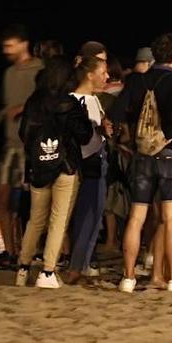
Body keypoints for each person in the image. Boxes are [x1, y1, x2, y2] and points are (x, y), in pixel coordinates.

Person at [117, 32, 172, 293]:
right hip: (171, 153)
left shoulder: (137, 80)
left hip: (142, 154)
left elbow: (117, 112)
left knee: (137, 216)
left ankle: (128, 277)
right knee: (171, 219)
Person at [15, 60, 92, 288]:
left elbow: (24, 134)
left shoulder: (33, 102)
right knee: (58, 220)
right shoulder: (69, 104)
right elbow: (85, 136)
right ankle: (47, 272)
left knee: (35, 220)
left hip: (39, 167)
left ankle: (23, 268)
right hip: (65, 166)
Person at [0, 24, 44, 262]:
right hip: (11, 144)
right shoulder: (9, 73)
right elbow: (10, 105)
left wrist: (19, 109)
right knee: (1, 197)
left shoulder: (38, 69)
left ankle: (48, 250)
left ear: (24, 44)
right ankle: (11, 251)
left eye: (10, 46)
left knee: (35, 201)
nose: (6, 51)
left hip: (30, 143)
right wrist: (0, 116)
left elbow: (43, 99)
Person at [66, 55, 110, 284]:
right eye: (103, 72)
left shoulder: (94, 99)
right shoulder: (75, 100)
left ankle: (81, 266)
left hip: (98, 159)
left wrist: (105, 130)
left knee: (94, 216)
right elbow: (81, 137)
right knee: (86, 215)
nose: (107, 77)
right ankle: (75, 267)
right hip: (86, 163)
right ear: (89, 74)